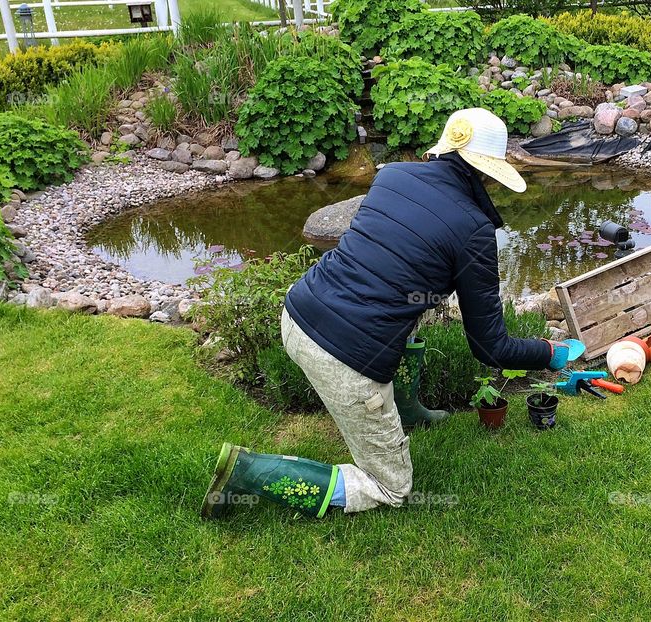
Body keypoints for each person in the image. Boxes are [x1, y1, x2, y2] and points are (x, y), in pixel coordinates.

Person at [201, 108, 577, 519]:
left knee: (408, 304)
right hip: (342, 358)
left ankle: (405, 408)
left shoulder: (394, 174)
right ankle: (246, 472)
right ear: (486, 172)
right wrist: (549, 352)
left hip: (298, 311)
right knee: (390, 488)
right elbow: (491, 346)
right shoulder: (474, 230)